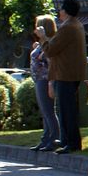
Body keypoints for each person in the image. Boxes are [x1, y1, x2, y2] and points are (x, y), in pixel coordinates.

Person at [36, 0, 88, 155]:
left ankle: (71, 143)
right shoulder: (77, 25)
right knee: (68, 109)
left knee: (66, 110)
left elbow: (50, 50)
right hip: (72, 73)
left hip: (65, 74)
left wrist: (43, 37)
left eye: (61, 10)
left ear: (65, 11)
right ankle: (67, 141)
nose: (59, 12)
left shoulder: (68, 28)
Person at [29, 14, 60, 152]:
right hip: (39, 79)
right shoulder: (42, 44)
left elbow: (51, 62)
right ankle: (46, 138)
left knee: (48, 111)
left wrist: (51, 83)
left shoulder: (49, 43)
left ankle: (53, 139)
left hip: (45, 79)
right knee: (45, 111)